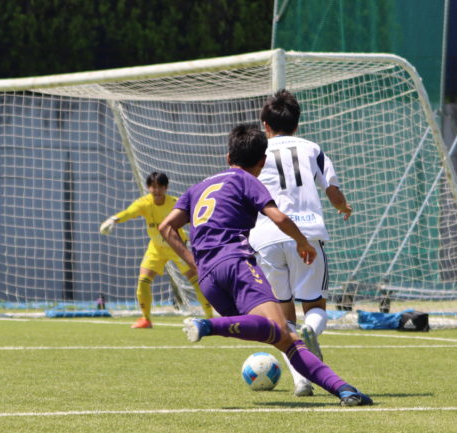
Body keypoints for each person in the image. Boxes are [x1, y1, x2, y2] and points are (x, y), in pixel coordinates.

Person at [159, 123, 372, 406]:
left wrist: (194, 263)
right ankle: (207, 325)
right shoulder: (246, 179)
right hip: (236, 264)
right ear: (262, 162)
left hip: (209, 281)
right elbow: (278, 217)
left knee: (281, 336)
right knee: (279, 328)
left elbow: (166, 227)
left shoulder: (197, 187)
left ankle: (345, 390)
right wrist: (302, 242)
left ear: (227, 156)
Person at [248, 89, 352, 397]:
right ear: (296, 124)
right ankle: (312, 330)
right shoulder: (312, 149)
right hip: (306, 235)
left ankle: (301, 381)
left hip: (266, 236)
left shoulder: (257, 150)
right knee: (315, 305)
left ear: (265, 125)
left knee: (283, 315)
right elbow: (331, 189)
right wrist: (342, 206)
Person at [100, 172, 213, 328]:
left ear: (166, 188)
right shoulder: (144, 203)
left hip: (177, 247)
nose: (157, 191)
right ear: (148, 188)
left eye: (160, 187)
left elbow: (194, 219)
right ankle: (146, 319)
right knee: (143, 281)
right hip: (156, 248)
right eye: (153, 187)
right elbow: (129, 213)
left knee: (197, 281)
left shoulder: (175, 203)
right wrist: (114, 219)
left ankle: (210, 318)